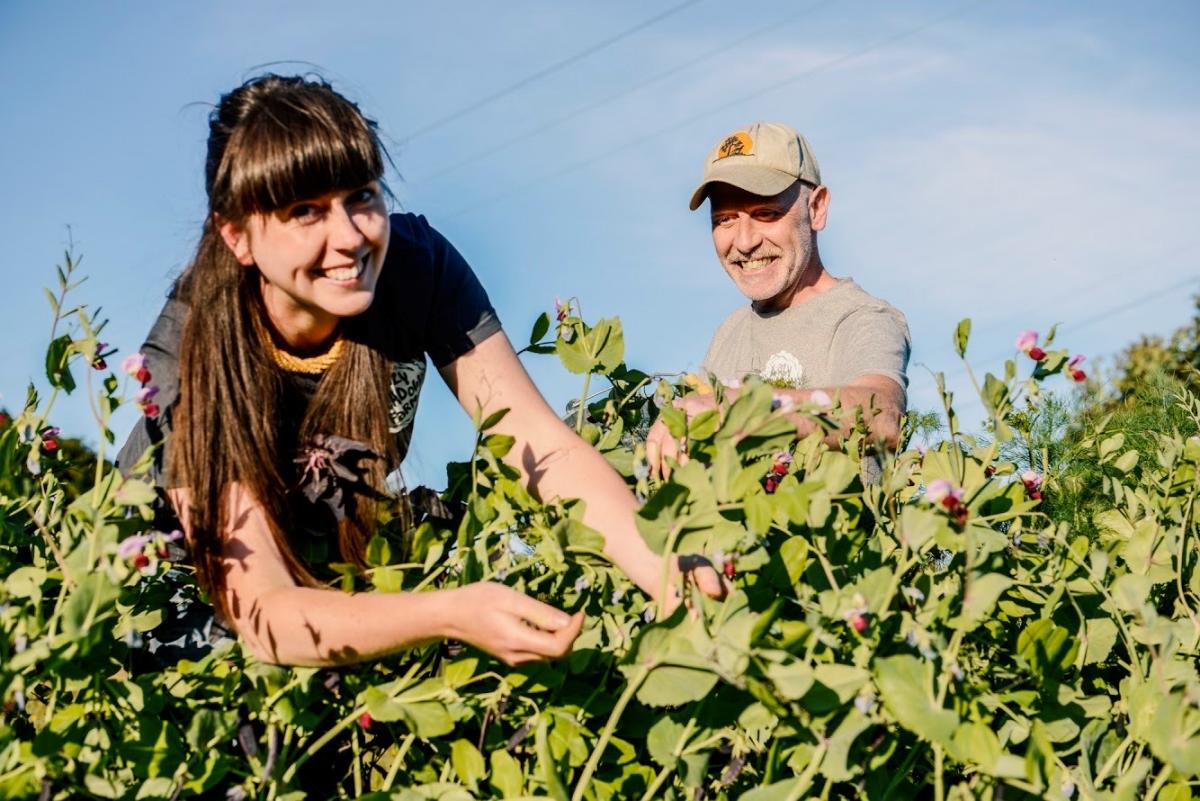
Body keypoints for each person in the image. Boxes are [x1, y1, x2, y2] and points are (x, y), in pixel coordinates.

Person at [117, 74, 722, 669]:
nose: (349, 238)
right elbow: (265, 614)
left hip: (329, 566)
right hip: (177, 602)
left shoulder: (415, 268)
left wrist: (664, 563)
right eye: (305, 212)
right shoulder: (190, 355)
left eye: (361, 196)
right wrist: (448, 614)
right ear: (238, 235)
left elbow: (542, 447)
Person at [647, 122, 910, 475]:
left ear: (816, 208)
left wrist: (750, 410)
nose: (743, 242)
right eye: (725, 220)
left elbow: (883, 415)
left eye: (765, 214)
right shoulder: (730, 331)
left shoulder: (861, 316)